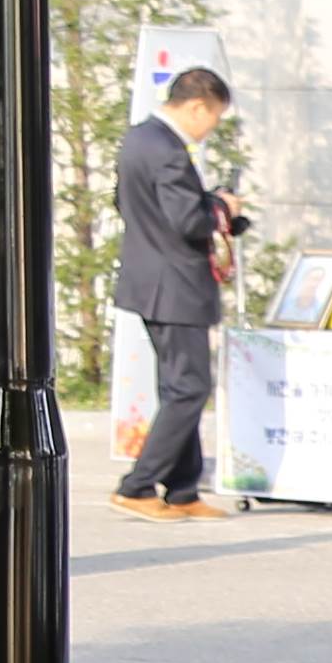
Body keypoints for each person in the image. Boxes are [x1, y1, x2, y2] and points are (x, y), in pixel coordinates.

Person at [107, 65, 243, 519]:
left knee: (177, 387)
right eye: (214, 118)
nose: (210, 129)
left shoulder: (138, 139)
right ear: (197, 107)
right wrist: (220, 206)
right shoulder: (168, 150)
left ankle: (182, 489)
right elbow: (189, 221)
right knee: (189, 388)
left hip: (150, 278)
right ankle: (138, 485)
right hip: (176, 285)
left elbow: (129, 203)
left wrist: (210, 205)